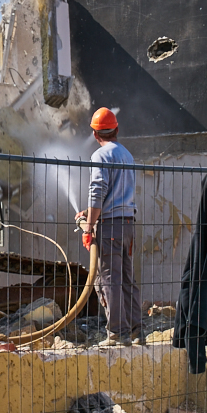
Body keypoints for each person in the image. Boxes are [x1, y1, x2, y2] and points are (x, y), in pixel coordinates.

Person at [76, 107, 142, 346]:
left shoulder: (100, 156)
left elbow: (98, 192)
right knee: (127, 280)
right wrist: (88, 214)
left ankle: (116, 334)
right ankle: (137, 332)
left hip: (110, 227)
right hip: (128, 225)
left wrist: (88, 227)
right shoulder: (127, 155)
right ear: (117, 130)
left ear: (95, 134)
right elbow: (115, 194)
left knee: (109, 280)